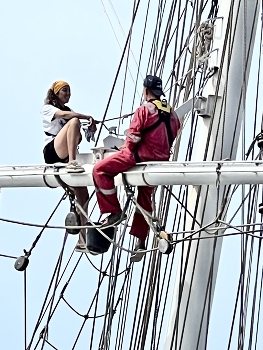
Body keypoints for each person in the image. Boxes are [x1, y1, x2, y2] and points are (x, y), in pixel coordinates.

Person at [92, 75, 180, 261]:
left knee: (99, 170)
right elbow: (172, 137)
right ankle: (141, 241)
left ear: (145, 91)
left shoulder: (144, 109)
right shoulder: (172, 114)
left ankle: (113, 212)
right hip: (160, 161)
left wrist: (126, 149)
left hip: (140, 156)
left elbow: (133, 137)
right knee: (144, 198)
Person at [42, 80, 97, 252]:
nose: (68, 94)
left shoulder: (69, 112)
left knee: (83, 193)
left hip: (63, 154)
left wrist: (91, 126)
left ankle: (83, 240)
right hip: (52, 151)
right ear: (56, 93)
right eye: (65, 90)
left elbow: (76, 133)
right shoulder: (48, 108)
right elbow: (67, 118)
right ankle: (73, 162)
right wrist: (84, 117)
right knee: (73, 122)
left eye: (69, 91)